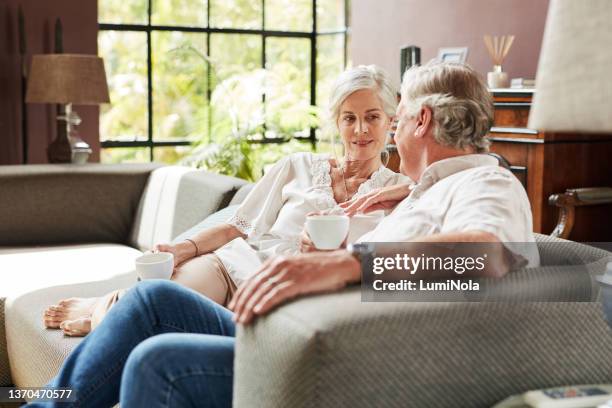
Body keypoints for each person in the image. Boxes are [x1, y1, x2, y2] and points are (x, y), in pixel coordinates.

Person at [27, 61, 538, 408]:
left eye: (396, 115)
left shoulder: (486, 181)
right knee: (154, 302)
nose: (388, 131)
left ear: (420, 119)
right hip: (292, 332)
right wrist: (397, 206)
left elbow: (483, 255)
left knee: (156, 358)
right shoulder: (429, 190)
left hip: (337, 357)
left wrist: (344, 264)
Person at [42, 64, 409, 336]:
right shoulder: (297, 166)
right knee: (156, 301)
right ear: (336, 122)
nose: (360, 130)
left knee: (162, 329)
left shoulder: (401, 194)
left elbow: (454, 189)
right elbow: (237, 225)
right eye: (350, 118)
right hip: (231, 267)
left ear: (391, 122)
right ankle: (102, 309)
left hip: (284, 291)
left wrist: (406, 189)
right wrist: (183, 248)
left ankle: (101, 310)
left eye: (372, 117)